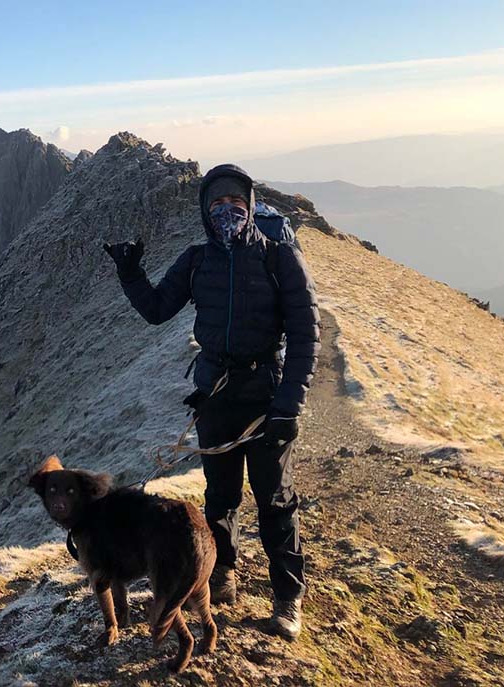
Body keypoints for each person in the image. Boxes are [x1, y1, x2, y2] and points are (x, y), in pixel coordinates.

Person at [102, 163, 320, 640]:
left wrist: (288, 406)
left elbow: (306, 337)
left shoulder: (280, 259)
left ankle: (288, 597)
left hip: (266, 397)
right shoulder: (197, 260)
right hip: (216, 398)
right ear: (205, 212)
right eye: (217, 205)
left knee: (274, 499)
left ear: (251, 206)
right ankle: (222, 575)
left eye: (235, 204)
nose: (227, 212)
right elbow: (158, 310)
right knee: (219, 497)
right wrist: (130, 272)